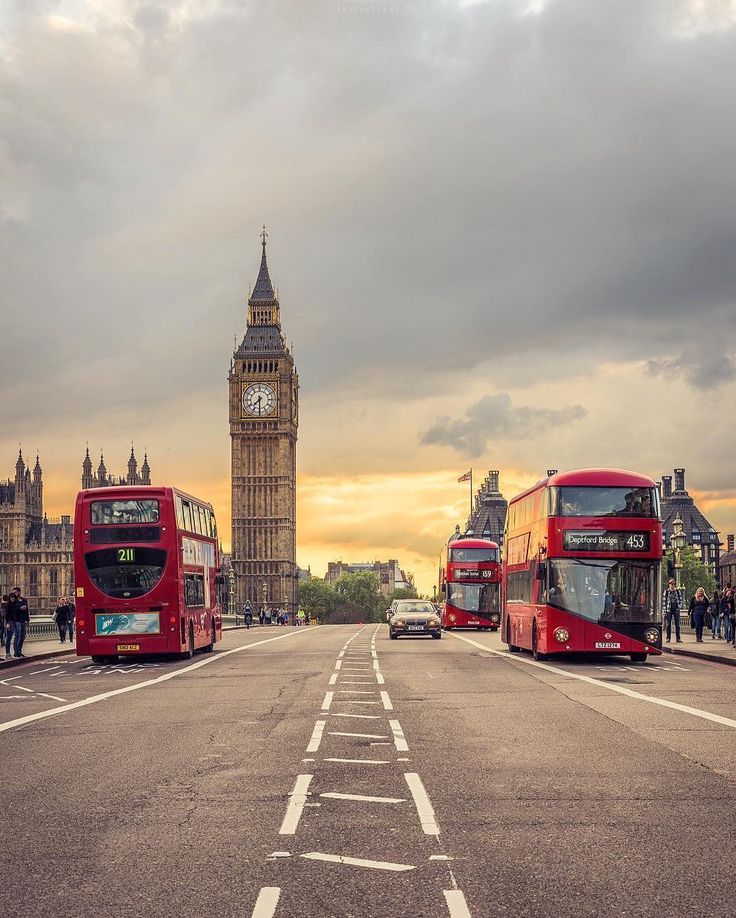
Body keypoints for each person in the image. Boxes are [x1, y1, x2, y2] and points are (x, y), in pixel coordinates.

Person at [8, 587, 29, 658]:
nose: (14, 594)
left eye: (15, 592)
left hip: (23, 620)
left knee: (23, 636)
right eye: (13, 592)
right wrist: (20, 608)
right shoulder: (14, 601)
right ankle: (16, 652)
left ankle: (19, 651)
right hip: (16, 620)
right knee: (17, 636)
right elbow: (13, 610)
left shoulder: (24, 600)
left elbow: (27, 611)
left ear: (19, 592)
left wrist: (28, 620)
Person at [662, 578, 683, 643]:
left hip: (676, 609)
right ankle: (668, 638)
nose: (672, 585)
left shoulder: (677, 591)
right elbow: (664, 602)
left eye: (674, 584)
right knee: (668, 625)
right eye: (671, 584)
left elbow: (681, 600)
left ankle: (678, 638)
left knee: (677, 624)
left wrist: (679, 606)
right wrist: (664, 611)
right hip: (669, 609)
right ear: (669, 585)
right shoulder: (666, 592)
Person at [2, 594, 13, 659]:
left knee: (7, 637)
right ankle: (7, 653)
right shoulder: (7, 605)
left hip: (9, 622)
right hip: (7, 622)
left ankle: (8, 653)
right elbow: (5, 614)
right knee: (8, 638)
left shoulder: (7, 604)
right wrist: (7, 623)